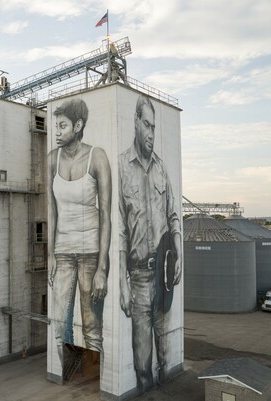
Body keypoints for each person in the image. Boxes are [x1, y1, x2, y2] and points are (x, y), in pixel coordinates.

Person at [118, 95, 182, 392]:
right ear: (135, 123)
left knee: (166, 358)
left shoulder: (162, 169)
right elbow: (118, 230)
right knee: (142, 362)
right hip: (140, 279)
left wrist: (179, 251)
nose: (151, 134)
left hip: (164, 277)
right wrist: (121, 281)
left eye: (154, 127)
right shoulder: (121, 168)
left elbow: (173, 214)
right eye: (147, 125)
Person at [48, 98, 112, 365]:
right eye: (55, 126)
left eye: (62, 126)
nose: (57, 132)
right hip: (62, 255)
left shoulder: (97, 156)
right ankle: (66, 373)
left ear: (78, 125)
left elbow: (106, 214)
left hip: (90, 254)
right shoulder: (53, 158)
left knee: (92, 329)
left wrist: (102, 269)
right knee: (58, 325)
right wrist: (50, 254)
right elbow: (51, 211)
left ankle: (98, 379)